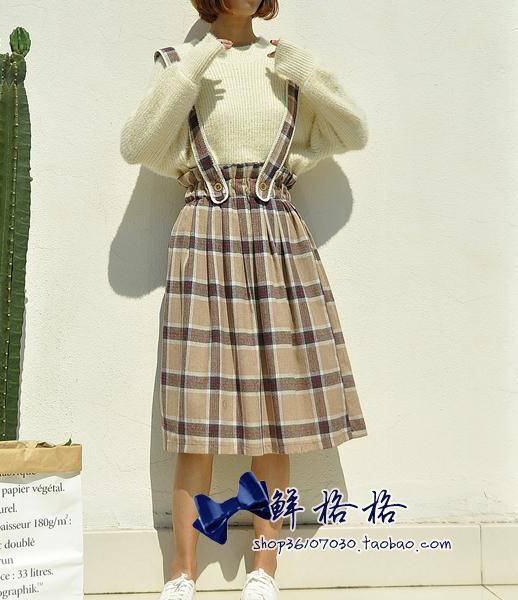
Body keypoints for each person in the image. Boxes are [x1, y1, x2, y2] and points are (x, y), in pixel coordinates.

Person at [119, 1, 369, 598]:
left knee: (275, 420)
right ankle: (182, 572)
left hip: (276, 237)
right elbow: (138, 146)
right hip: (203, 235)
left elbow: (354, 132)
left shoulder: (285, 65)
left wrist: (306, 72)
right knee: (196, 419)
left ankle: (264, 568)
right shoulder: (182, 63)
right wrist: (199, 60)